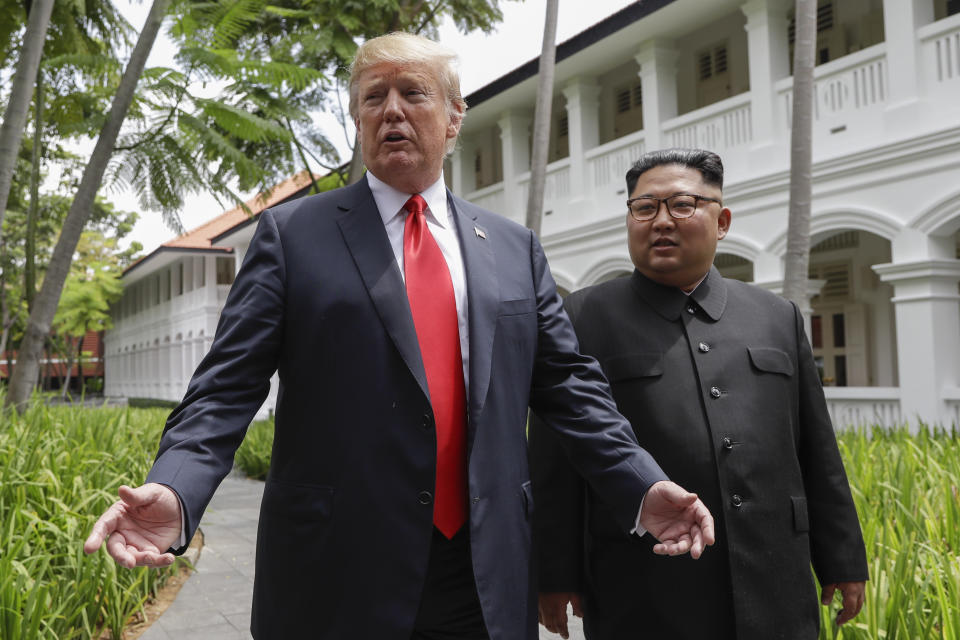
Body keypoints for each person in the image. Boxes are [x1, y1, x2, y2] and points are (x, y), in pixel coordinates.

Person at [83, 35, 716, 640]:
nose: (391, 112)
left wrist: (640, 482)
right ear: (357, 120)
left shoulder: (513, 249)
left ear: (453, 116)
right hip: (336, 572)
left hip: (482, 572)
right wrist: (175, 487)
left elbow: (571, 388)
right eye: (372, 98)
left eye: (413, 93)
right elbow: (224, 390)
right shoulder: (291, 237)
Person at [530, 148, 869, 640]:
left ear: (722, 219)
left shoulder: (776, 315)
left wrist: (841, 555)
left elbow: (816, 449)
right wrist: (555, 574)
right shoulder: (583, 317)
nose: (661, 221)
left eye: (682, 205)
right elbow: (554, 458)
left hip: (775, 574)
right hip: (644, 580)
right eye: (644, 208)